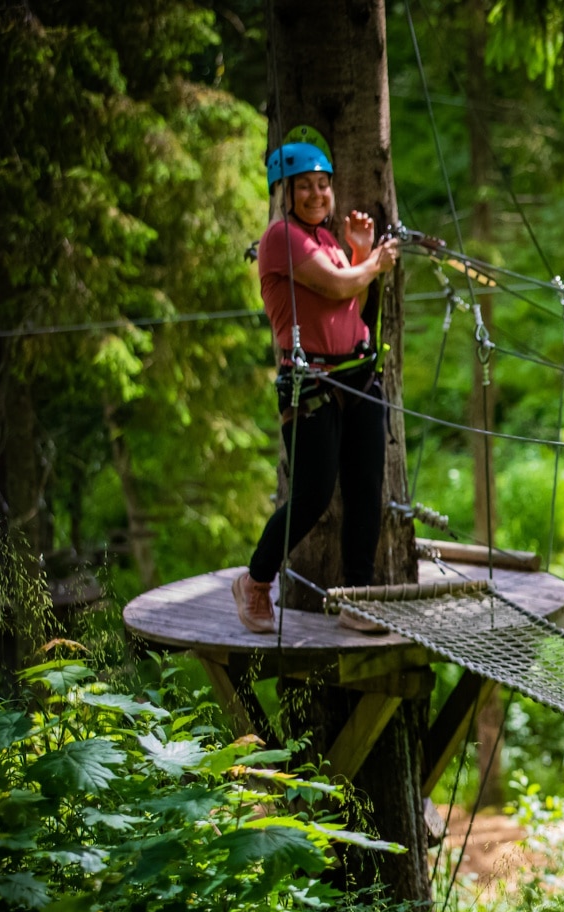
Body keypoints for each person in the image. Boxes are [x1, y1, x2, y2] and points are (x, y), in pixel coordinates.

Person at [232, 142, 400, 634]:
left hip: (359, 375)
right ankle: (256, 581)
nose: (316, 193)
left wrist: (360, 254)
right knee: (313, 493)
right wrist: (375, 262)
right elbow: (336, 285)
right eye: (303, 185)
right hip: (311, 382)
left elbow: (352, 299)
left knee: (366, 490)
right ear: (284, 193)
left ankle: (357, 598)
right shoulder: (280, 237)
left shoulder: (326, 240)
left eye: (323, 185)